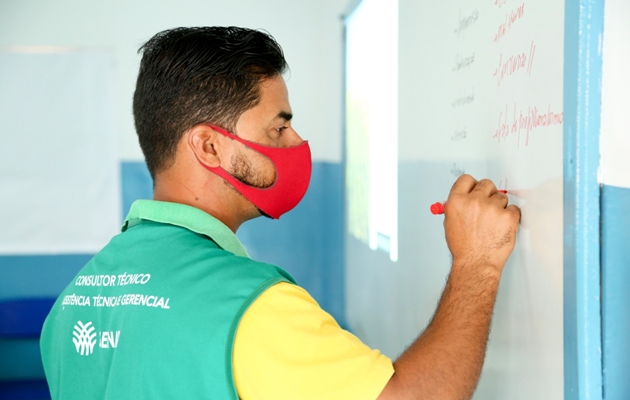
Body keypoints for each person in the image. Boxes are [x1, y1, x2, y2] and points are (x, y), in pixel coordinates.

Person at [40, 27, 520, 400]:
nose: (297, 144)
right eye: (278, 127)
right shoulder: (252, 305)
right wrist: (476, 262)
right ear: (208, 145)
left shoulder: (74, 301)